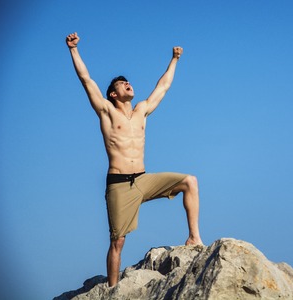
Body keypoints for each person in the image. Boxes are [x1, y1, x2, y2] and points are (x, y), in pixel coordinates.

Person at [65, 32, 203, 287]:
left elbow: (163, 87)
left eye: (128, 81)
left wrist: (174, 60)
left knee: (190, 182)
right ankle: (113, 288)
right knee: (118, 241)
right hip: (118, 184)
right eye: (121, 83)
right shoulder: (106, 112)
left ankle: (194, 237)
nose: (127, 83)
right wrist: (73, 50)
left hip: (143, 179)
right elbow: (86, 80)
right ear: (113, 95)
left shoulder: (142, 111)